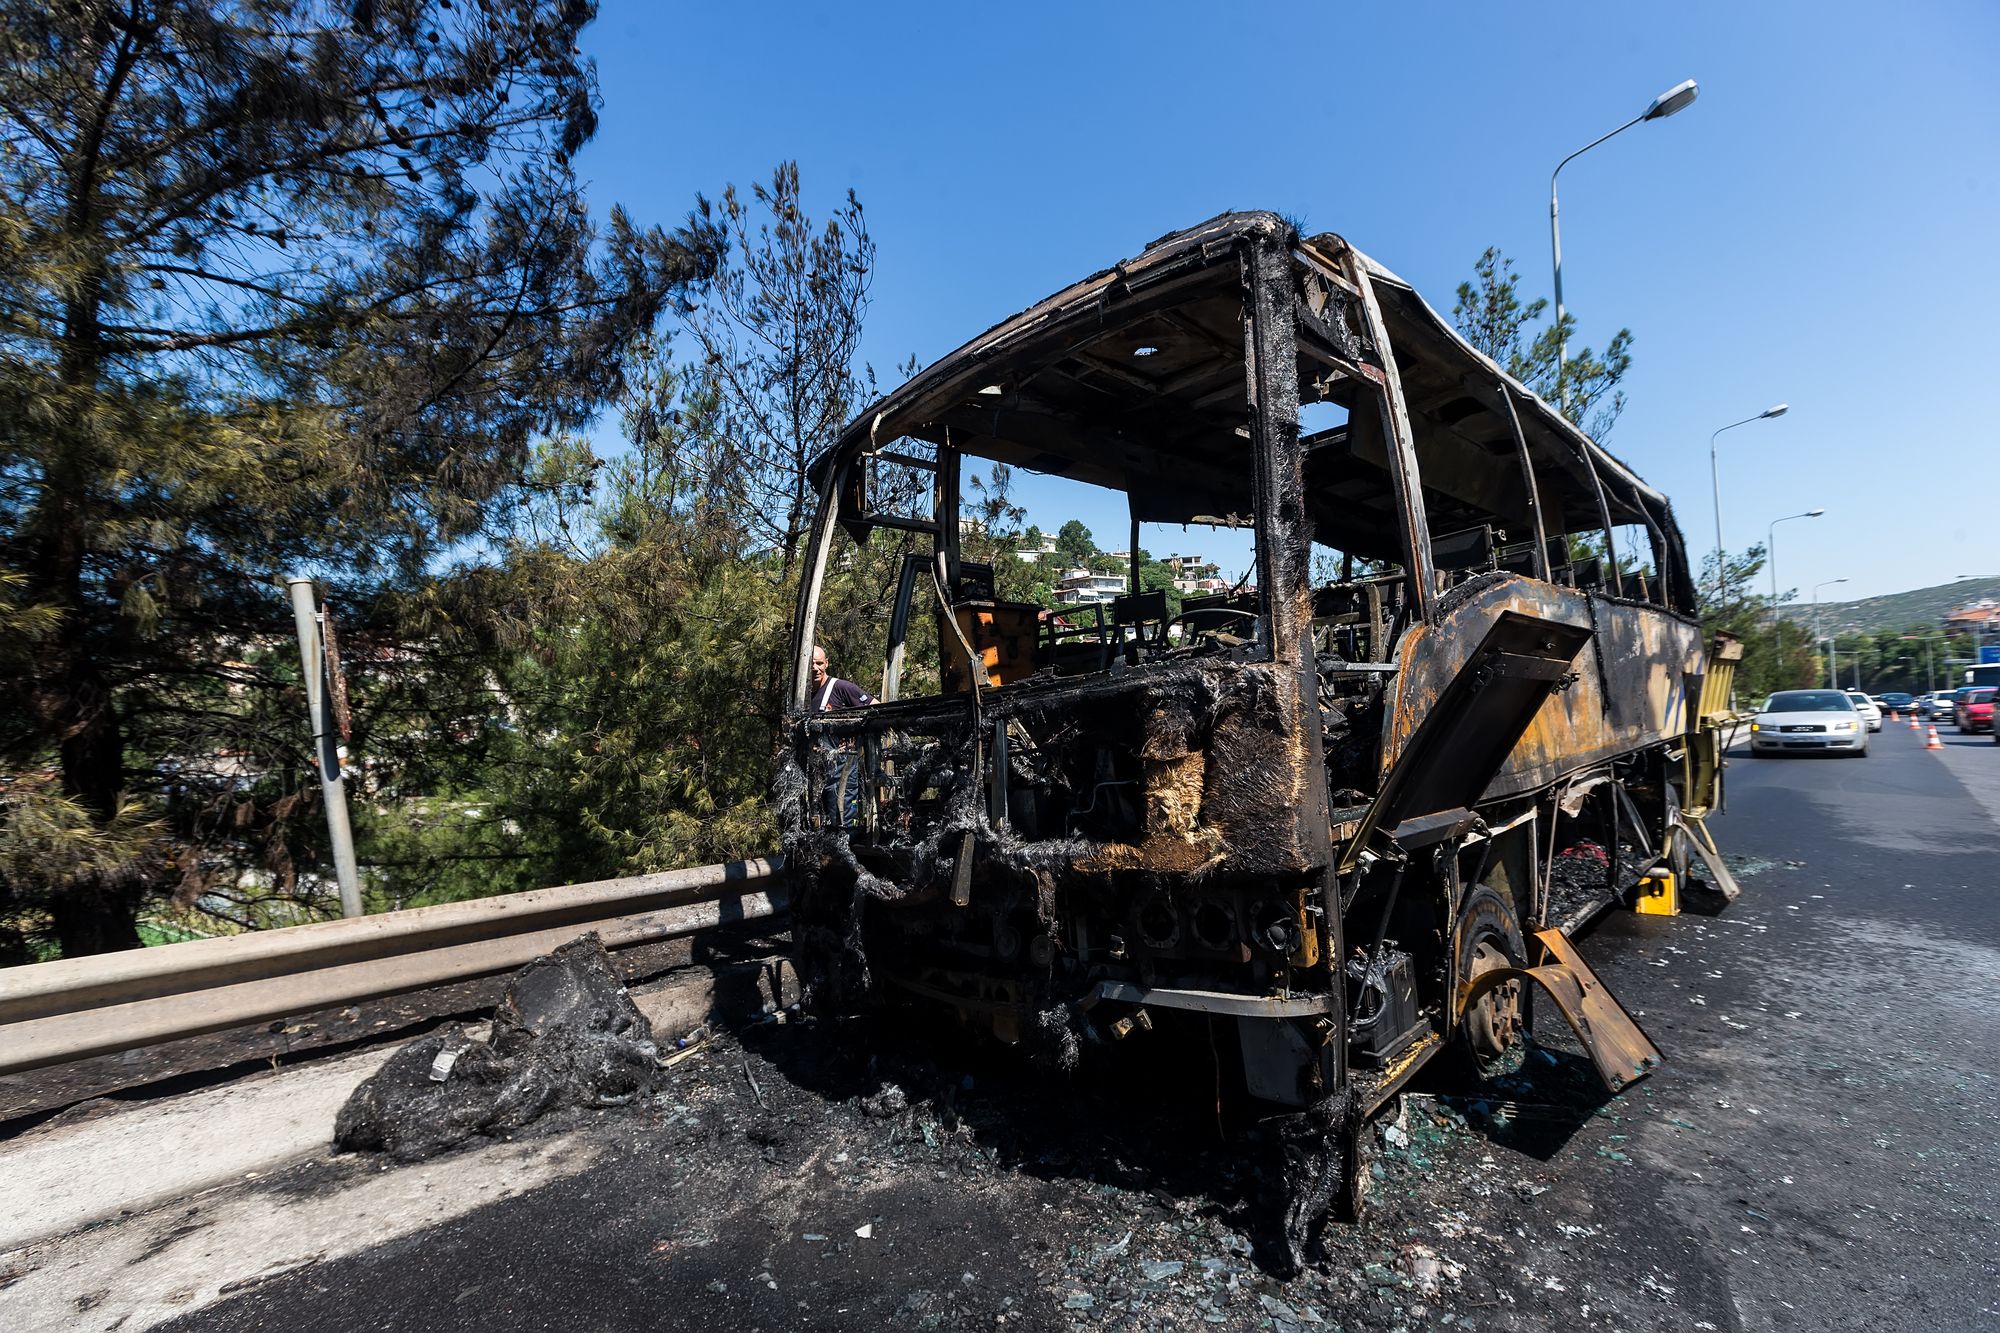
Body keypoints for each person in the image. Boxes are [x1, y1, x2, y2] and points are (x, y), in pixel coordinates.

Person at [810, 645, 873, 828]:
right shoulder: (803, 695)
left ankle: (847, 849)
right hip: (816, 770)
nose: (815, 668)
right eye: (811, 663)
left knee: (843, 819)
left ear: (826, 663)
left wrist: (857, 736)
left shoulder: (841, 688)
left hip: (842, 769)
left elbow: (877, 708)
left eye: (819, 663)